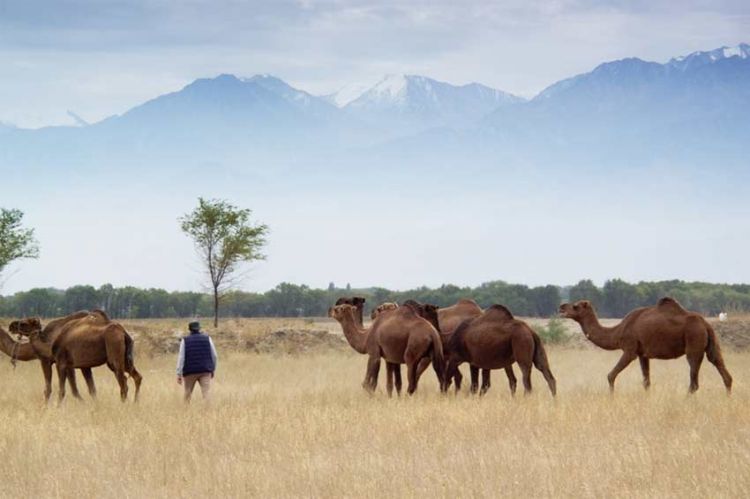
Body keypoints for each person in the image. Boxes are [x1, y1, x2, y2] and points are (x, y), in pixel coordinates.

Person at [176, 321, 218, 402]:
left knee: (187, 395)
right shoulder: (207, 338)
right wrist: (212, 369)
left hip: (190, 372)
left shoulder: (185, 340)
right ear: (199, 328)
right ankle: (208, 412)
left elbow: (181, 358)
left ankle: (185, 412)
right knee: (206, 394)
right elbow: (214, 355)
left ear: (190, 330)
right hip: (205, 370)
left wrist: (179, 373)